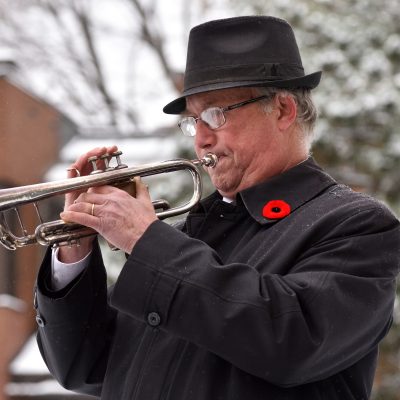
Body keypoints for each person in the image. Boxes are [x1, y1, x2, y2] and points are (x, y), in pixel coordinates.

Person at [34, 16, 400, 400]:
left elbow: (292, 342)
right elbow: (85, 369)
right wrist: (73, 251)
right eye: (193, 121)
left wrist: (146, 240)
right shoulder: (189, 236)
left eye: (215, 114)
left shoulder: (356, 225)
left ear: (282, 110)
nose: (202, 139)